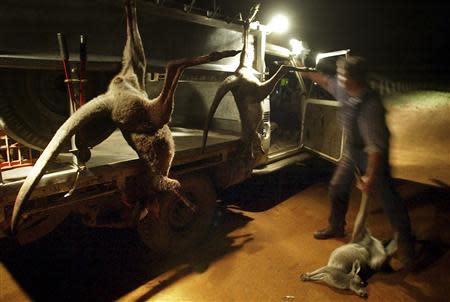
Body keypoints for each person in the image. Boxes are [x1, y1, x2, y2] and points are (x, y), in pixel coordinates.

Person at [301, 55, 415, 264]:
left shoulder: (370, 106)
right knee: (337, 186)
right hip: (352, 152)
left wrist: (370, 178)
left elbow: (376, 148)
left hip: (373, 156)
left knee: (388, 198)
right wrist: (303, 71)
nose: (338, 76)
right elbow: (325, 80)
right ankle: (336, 226)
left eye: (342, 73)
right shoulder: (345, 89)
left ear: (352, 77)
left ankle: (407, 244)